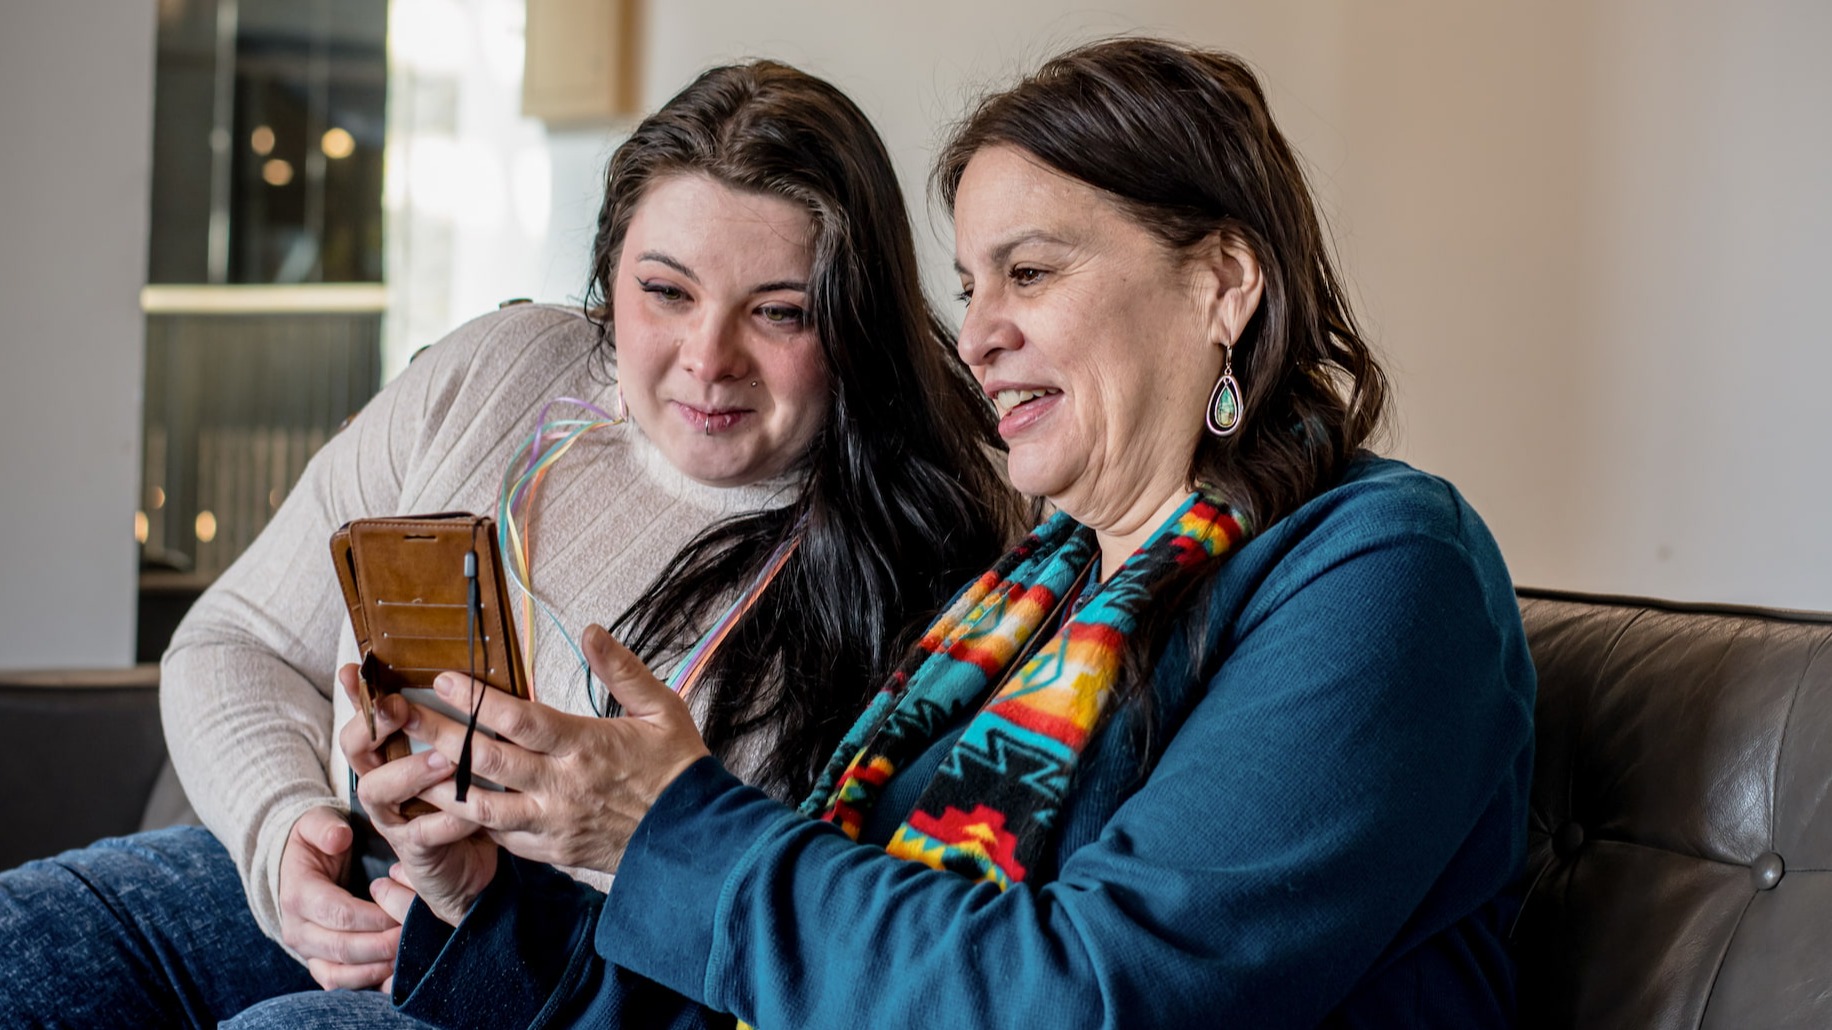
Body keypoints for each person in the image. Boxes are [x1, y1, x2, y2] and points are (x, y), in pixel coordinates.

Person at [347, 37, 1537, 1029]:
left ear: (1223, 281)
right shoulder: (1023, 598)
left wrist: (672, 825)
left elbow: (1095, 994)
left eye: (1029, 272)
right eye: (972, 288)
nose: (977, 339)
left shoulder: (1382, 570)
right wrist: (480, 892)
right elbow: (778, 983)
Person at [0, 61, 1018, 1028]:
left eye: (780, 312)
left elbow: (818, 951)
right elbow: (236, 639)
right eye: (664, 291)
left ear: (856, 320)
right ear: (608, 272)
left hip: (575, 983)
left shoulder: (942, 555)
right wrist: (286, 839)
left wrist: (489, 898)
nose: (708, 359)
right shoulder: (504, 367)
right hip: (350, 888)